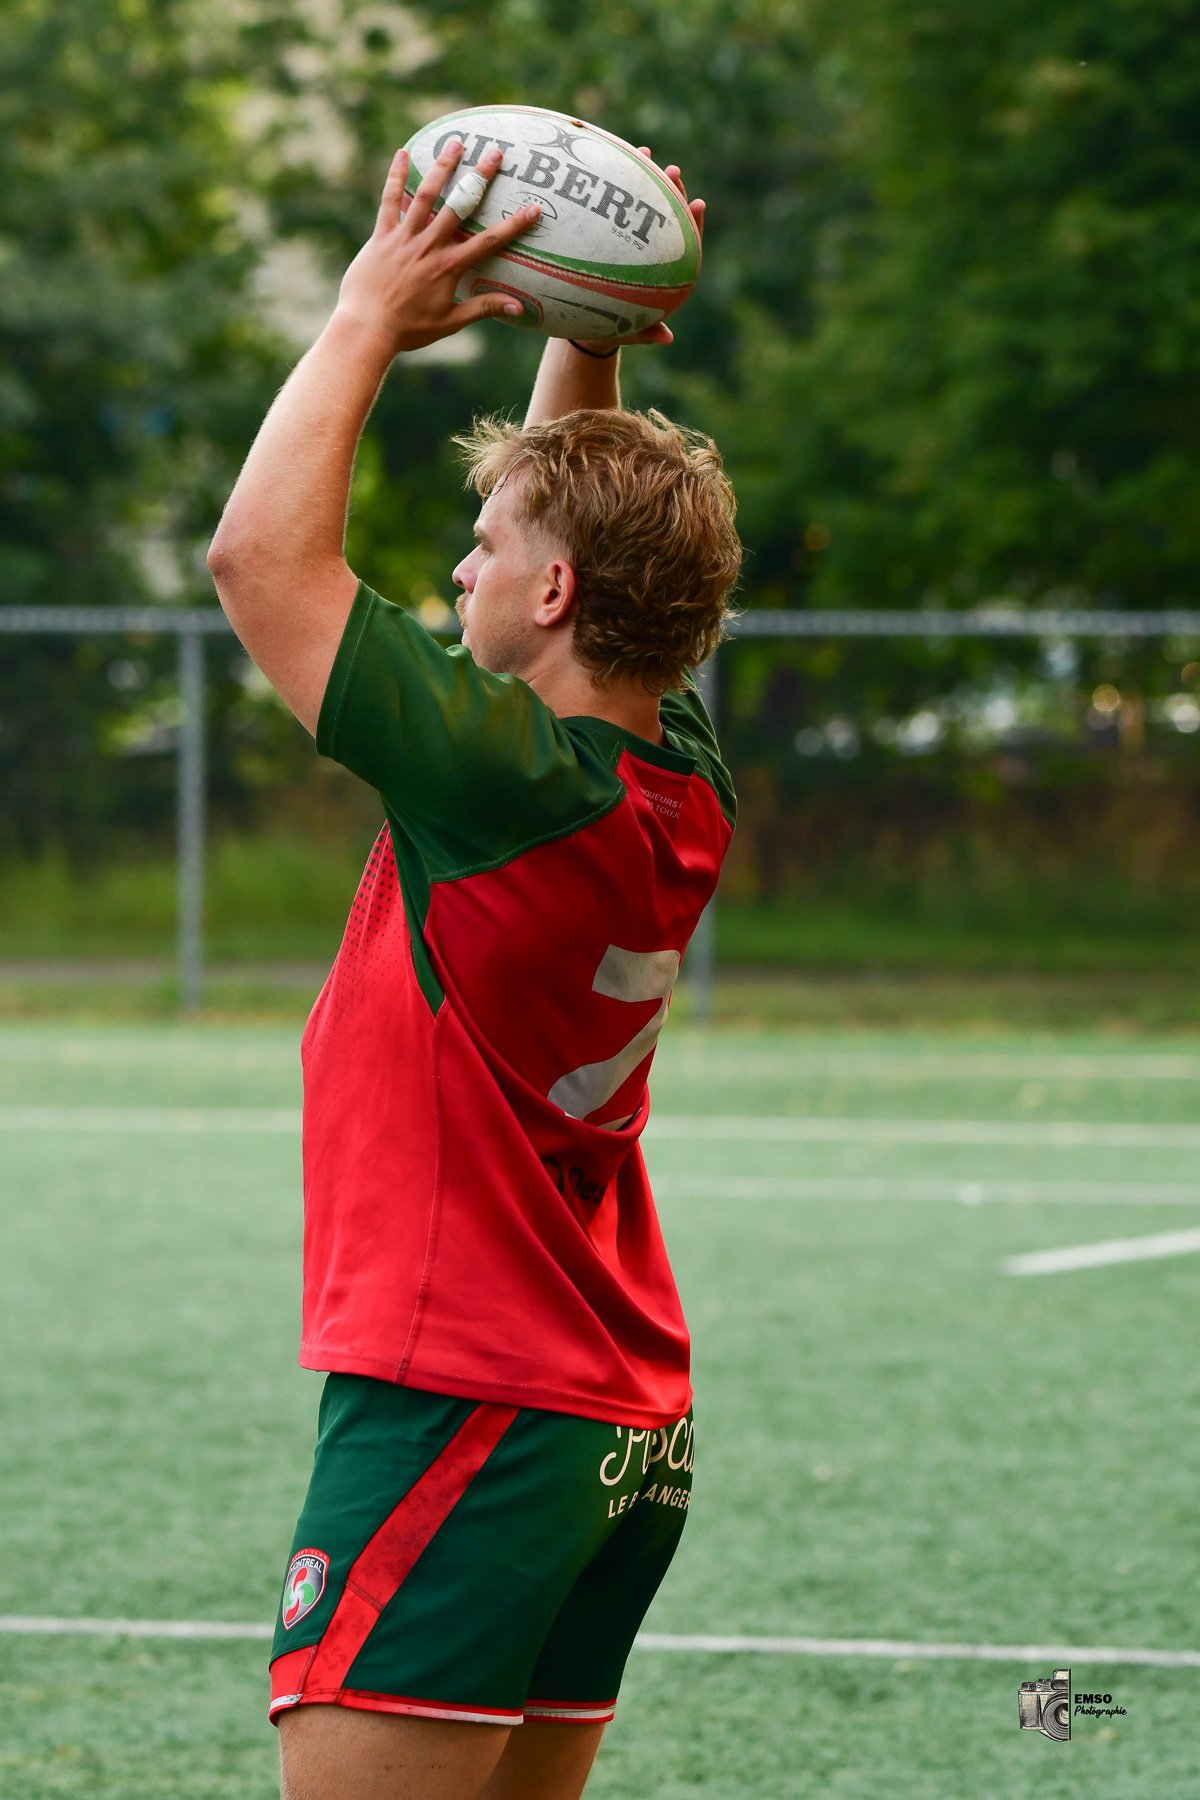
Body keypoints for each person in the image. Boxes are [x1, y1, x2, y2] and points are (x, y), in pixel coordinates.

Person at [207, 132, 740, 1800]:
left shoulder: (498, 779)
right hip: (613, 1418)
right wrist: (586, 307)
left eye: (488, 549)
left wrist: (371, 307)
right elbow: (568, 529)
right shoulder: (675, 772)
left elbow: (258, 565)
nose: (459, 568)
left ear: (559, 592)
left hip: (470, 1396)